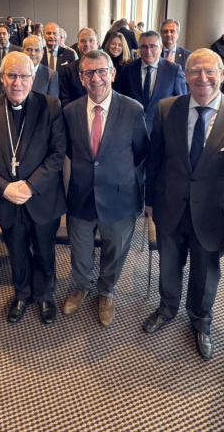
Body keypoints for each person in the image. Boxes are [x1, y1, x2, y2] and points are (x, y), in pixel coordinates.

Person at [143, 49, 224, 360]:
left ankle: (200, 320)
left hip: (215, 215)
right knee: (169, 265)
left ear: (223, 74)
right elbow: (155, 161)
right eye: (194, 71)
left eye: (210, 71)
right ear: (185, 74)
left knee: (205, 273)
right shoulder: (167, 109)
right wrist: (150, 201)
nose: (202, 78)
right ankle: (167, 308)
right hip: (170, 207)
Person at [0, 51, 67, 325]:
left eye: (24, 76)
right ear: (1, 77)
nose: (17, 82)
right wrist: (4, 188)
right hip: (5, 199)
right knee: (16, 249)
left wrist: (31, 186)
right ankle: (22, 293)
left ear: (33, 79)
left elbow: (57, 153)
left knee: (45, 250)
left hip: (41, 197)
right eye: (11, 75)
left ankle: (45, 294)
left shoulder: (50, 106)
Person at [62, 50, 148, 327]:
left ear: (112, 73)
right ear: (81, 78)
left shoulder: (132, 109)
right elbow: (71, 153)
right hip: (81, 195)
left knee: (115, 250)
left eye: (101, 71)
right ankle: (83, 285)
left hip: (120, 198)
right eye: (89, 72)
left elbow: (142, 153)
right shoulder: (70, 111)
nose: (95, 78)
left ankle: (106, 291)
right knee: (80, 249)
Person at [116, 31, 187, 136]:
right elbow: (121, 99)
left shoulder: (174, 70)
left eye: (153, 46)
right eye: (144, 47)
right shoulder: (128, 69)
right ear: (139, 48)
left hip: (162, 132)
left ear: (161, 47)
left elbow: (181, 103)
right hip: (132, 130)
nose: (148, 51)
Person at [59, 28, 99, 107]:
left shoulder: (106, 69)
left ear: (97, 44)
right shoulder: (68, 70)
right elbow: (65, 100)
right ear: (78, 44)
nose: (87, 44)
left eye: (91, 40)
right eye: (83, 41)